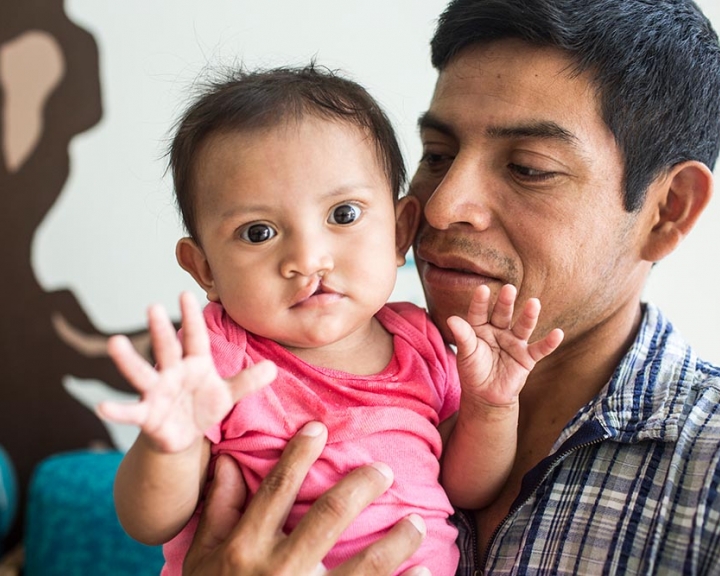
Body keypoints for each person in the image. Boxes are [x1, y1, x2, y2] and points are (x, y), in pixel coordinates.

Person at [179, 0, 720, 574]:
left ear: (668, 210)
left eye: (529, 167)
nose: (440, 206)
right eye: (437, 155)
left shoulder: (705, 473)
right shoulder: (247, 375)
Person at [97, 64, 562, 575]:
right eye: (258, 232)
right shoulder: (218, 355)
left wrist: (491, 407)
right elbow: (147, 522)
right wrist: (172, 444)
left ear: (400, 231)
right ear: (205, 268)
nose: (308, 258)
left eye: (343, 215)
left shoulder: (420, 341)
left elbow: (465, 487)